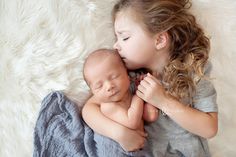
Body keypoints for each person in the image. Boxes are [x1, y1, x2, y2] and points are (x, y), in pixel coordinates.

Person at [83, 0, 218, 156]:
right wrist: (119, 134)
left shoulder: (194, 71)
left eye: (124, 38)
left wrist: (163, 101)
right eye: (116, 38)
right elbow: (89, 109)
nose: (116, 46)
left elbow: (210, 129)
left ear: (159, 40)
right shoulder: (126, 77)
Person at [82, 49, 158, 152]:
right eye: (99, 86)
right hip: (113, 149)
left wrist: (148, 96)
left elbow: (150, 116)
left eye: (114, 77)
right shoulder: (108, 106)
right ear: (92, 92)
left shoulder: (129, 91)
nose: (109, 86)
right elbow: (132, 122)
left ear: (127, 74)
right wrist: (139, 95)